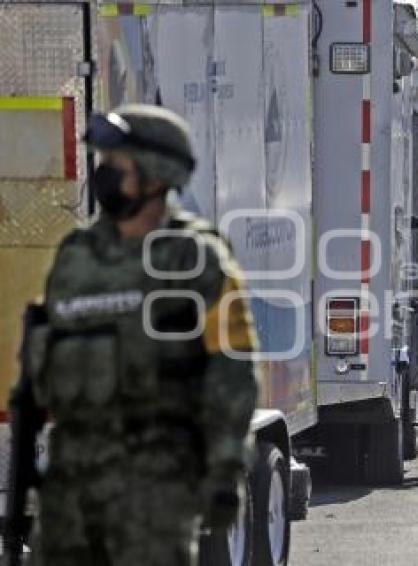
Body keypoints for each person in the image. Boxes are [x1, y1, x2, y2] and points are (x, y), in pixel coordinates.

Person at [29, 105, 258, 564]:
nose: (104, 175)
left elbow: (231, 376)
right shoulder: (76, 256)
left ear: (157, 173)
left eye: (117, 165)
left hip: (156, 493)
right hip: (69, 493)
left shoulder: (196, 259)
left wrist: (224, 471)